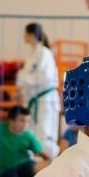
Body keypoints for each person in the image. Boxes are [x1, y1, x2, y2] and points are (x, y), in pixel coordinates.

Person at [16, 23, 60, 159]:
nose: (24, 36)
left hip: (46, 99)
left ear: (31, 34)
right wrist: (23, 90)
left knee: (45, 133)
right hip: (34, 99)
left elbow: (44, 77)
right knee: (32, 133)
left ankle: (51, 165)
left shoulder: (44, 53)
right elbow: (25, 77)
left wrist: (24, 78)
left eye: (25, 33)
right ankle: (36, 165)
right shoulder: (33, 54)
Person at [0, 105, 51, 177]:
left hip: (26, 167)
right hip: (6, 171)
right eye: (22, 121)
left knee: (31, 168)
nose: (25, 124)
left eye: (27, 121)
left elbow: (46, 157)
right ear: (11, 121)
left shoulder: (28, 136)